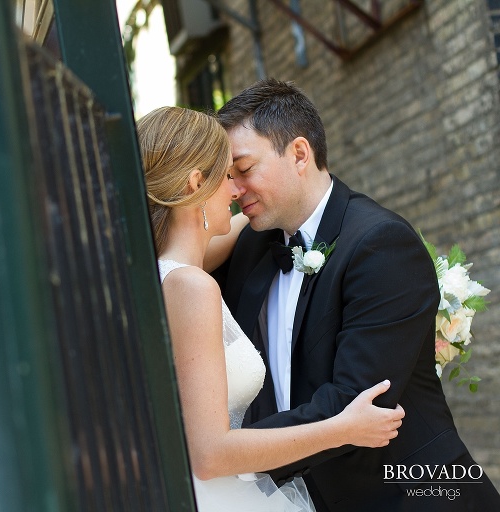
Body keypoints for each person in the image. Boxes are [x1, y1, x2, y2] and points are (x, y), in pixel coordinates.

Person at [214, 79, 500, 511]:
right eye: (228, 177)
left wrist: (225, 457)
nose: (235, 189)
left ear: (299, 154)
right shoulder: (252, 245)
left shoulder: (380, 244)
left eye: (244, 169)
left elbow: (355, 400)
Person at [138, 106, 404, 511]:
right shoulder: (191, 285)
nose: (236, 190)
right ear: (196, 183)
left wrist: (292, 198)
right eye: (229, 175)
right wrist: (341, 428)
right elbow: (210, 454)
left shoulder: (156, 272)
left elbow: (255, 221)